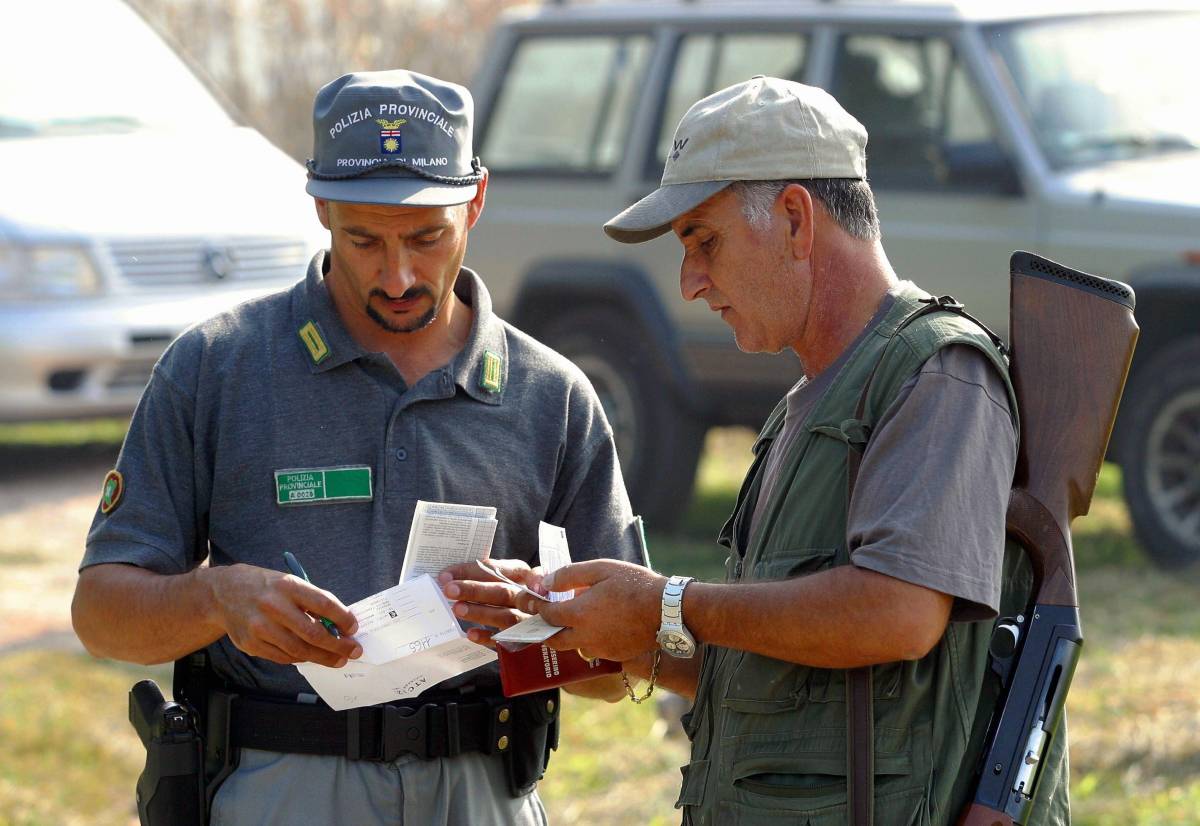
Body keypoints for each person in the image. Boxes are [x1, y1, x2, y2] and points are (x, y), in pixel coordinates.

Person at [445, 77, 1070, 824]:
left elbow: (896, 614)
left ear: (797, 219)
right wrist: (606, 635)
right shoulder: (812, 403)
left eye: (704, 241)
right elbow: (777, 665)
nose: (689, 281)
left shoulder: (936, 375)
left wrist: (668, 603)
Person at [70, 69, 640, 826]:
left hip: (481, 790)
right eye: (363, 239)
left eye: (428, 237)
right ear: (319, 207)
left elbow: (624, 666)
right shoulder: (216, 367)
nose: (397, 274)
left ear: (475, 199)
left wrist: (535, 620)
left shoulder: (553, 395)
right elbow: (100, 614)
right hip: (279, 788)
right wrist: (216, 598)